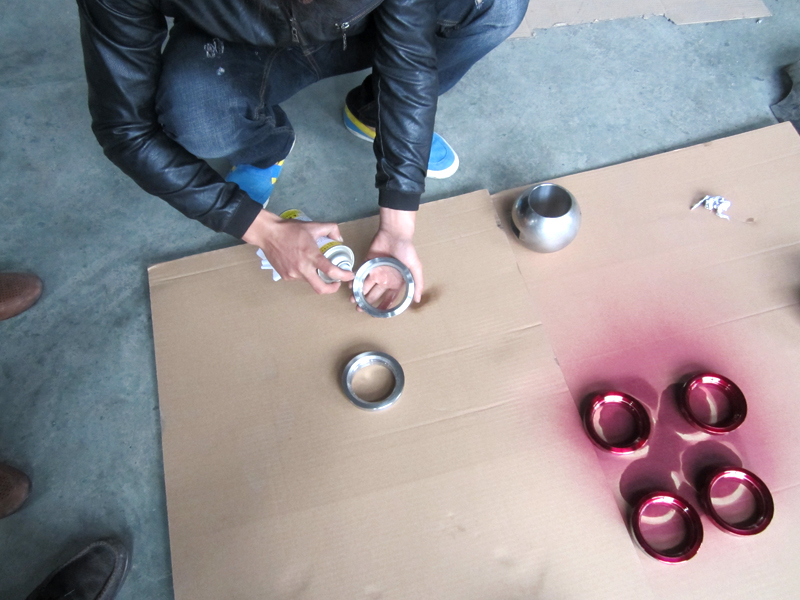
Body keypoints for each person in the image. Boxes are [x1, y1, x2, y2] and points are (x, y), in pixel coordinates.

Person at [76, 0, 528, 306]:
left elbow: (408, 62)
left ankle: (373, 113)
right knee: (196, 117)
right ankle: (263, 146)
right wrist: (262, 229)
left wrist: (398, 225)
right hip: (236, 39)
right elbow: (125, 129)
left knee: (498, 5)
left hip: (359, 25)